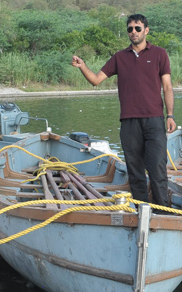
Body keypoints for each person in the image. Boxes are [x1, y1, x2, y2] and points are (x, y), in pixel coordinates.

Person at [71, 13, 175, 207]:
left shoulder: (160, 54)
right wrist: (82, 66)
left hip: (154, 120)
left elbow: (167, 87)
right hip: (129, 122)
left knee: (157, 169)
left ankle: (163, 213)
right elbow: (95, 80)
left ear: (146, 30)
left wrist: (170, 115)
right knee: (135, 171)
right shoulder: (119, 57)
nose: (133, 32)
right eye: (130, 29)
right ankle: (142, 211)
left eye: (137, 28)